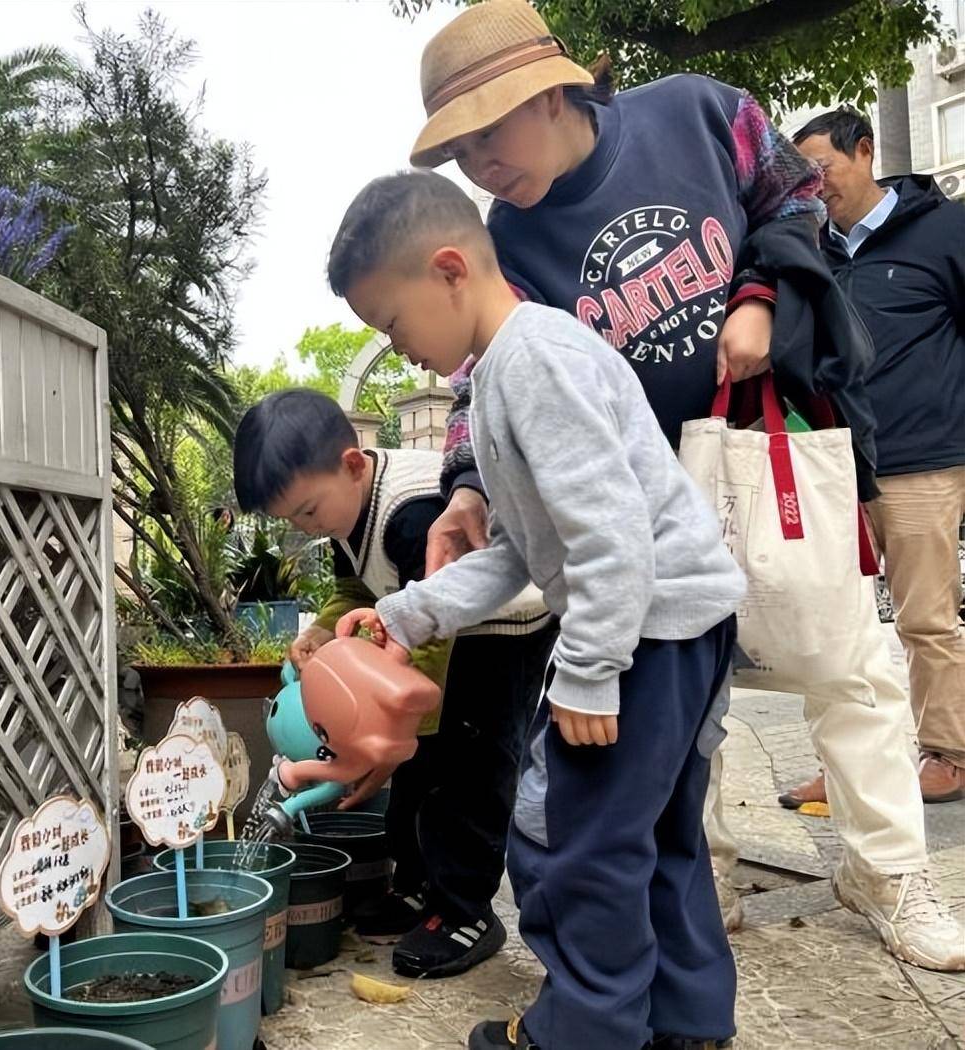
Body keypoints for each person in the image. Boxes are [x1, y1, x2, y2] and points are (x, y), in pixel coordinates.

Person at [411, 0, 964, 970]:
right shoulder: (507, 234)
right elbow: (484, 364)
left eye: (486, 133)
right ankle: (696, 873)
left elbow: (792, 198)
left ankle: (884, 871)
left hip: (766, 438)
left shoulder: (696, 112)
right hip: (636, 493)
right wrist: (466, 484)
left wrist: (755, 299)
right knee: (662, 684)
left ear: (547, 93)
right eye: (458, 152)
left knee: (844, 657)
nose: (479, 166)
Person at [329, 169, 744, 1050]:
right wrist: (407, 614)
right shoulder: (511, 371)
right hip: (678, 622)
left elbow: (610, 533)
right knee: (659, 834)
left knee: (575, 842)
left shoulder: (532, 363)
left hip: (644, 634)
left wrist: (590, 672)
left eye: (393, 325)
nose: (400, 350)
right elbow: (520, 550)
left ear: (448, 269)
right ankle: (688, 1018)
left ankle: (583, 1030)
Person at [232, 389, 556, 978]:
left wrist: (387, 744)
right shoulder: (341, 513)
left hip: (499, 627)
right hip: (431, 633)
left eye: (307, 512)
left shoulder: (412, 514)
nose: (306, 527)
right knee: (419, 770)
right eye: (290, 521)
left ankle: (466, 910)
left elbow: (434, 628)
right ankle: (415, 887)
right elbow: (358, 591)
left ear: (353, 464)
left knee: (468, 768)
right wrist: (324, 631)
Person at [793, 107, 965, 806]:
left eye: (821, 171)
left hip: (922, 458)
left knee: (926, 616)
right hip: (834, 465)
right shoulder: (810, 248)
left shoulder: (944, 230)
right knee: (836, 626)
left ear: (863, 152)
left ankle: (947, 754)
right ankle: (850, 763)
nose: (813, 188)